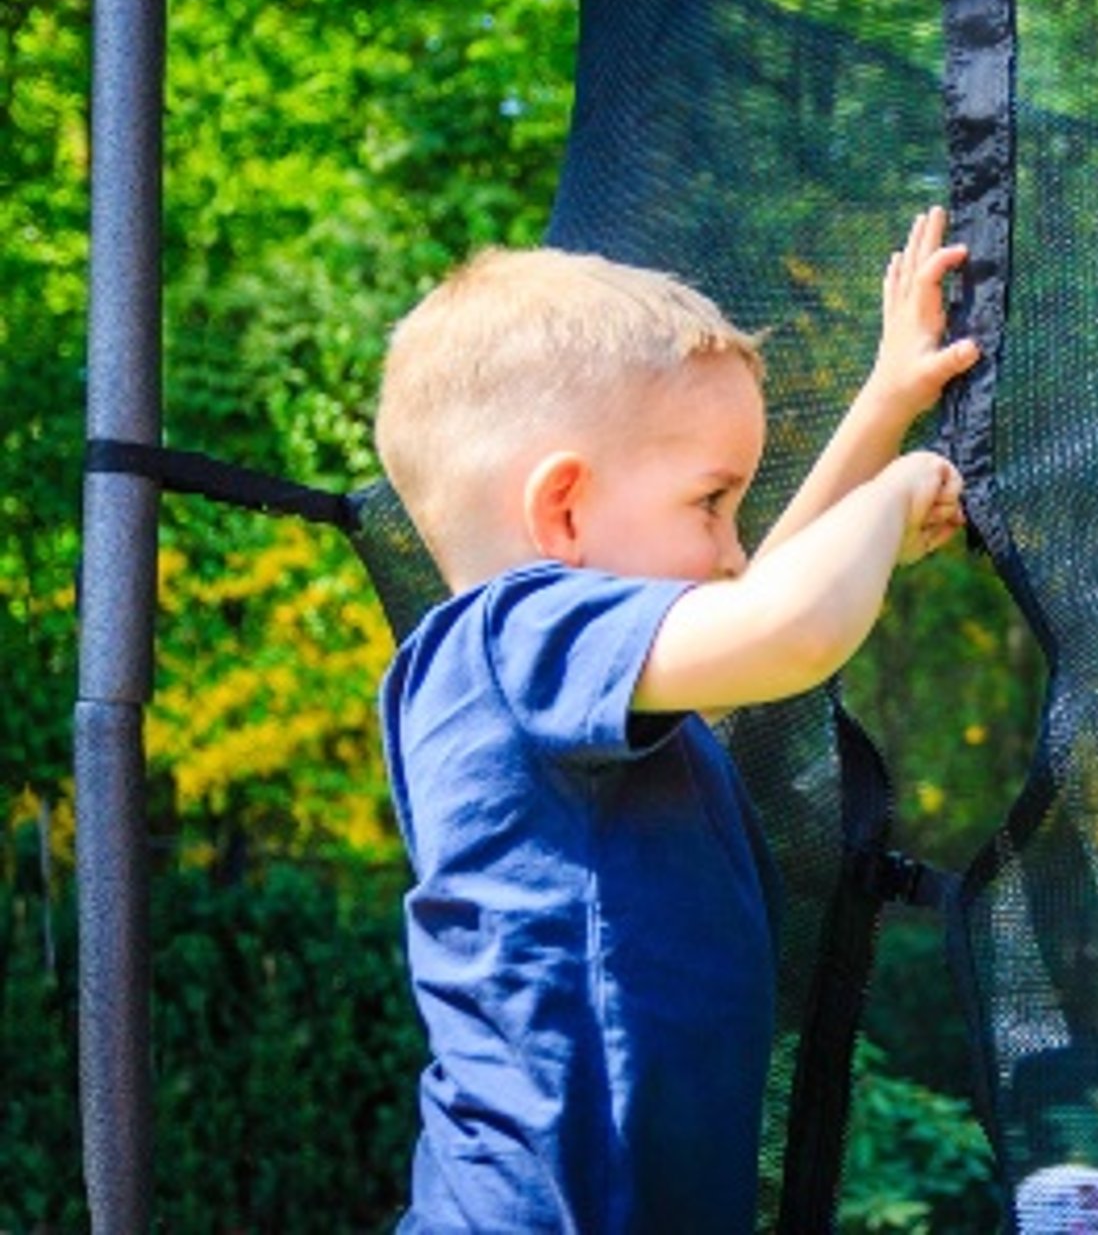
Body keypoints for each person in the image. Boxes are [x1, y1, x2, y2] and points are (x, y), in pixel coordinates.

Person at [371, 208, 979, 1233]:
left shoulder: (566, 683)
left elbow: (761, 603)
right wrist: (900, 489)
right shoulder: (510, 635)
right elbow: (784, 628)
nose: (732, 546)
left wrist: (886, 406)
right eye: (710, 503)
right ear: (563, 512)